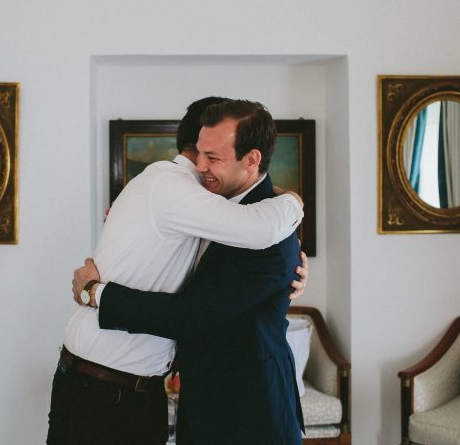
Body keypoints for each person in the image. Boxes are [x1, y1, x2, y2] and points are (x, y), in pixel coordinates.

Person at [47, 97, 307, 445]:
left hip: (250, 414)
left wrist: (96, 293)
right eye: (198, 153)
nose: (200, 165)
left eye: (212, 157)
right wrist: (292, 199)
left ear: (251, 159)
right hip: (123, 392)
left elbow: (191, 315)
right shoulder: (194, 199)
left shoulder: (270, 232)